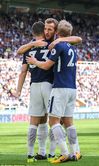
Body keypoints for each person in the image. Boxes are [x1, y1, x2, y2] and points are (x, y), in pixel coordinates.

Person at [16, 18, 82, 162]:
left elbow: (21, 56)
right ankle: (55, 152)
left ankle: (44, 153)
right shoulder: (60, 45)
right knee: (48, 120)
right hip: (55, 86)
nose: (47, 32)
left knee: (47, 120)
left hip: (52, 86)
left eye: (50, 29)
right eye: (45, 29)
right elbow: (77, 39)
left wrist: (18, 90)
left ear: (56, 31)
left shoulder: (55, 44)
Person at [15, 21, 52, 163]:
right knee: (51, 120)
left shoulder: (28, 49)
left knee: (35, 121)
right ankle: (49, 152)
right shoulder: (51, 44)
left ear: (32, 33)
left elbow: (23, 71)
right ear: (44, 31)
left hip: (34, 85)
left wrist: (18, 90)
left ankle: (31, 155)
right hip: (49, 84)